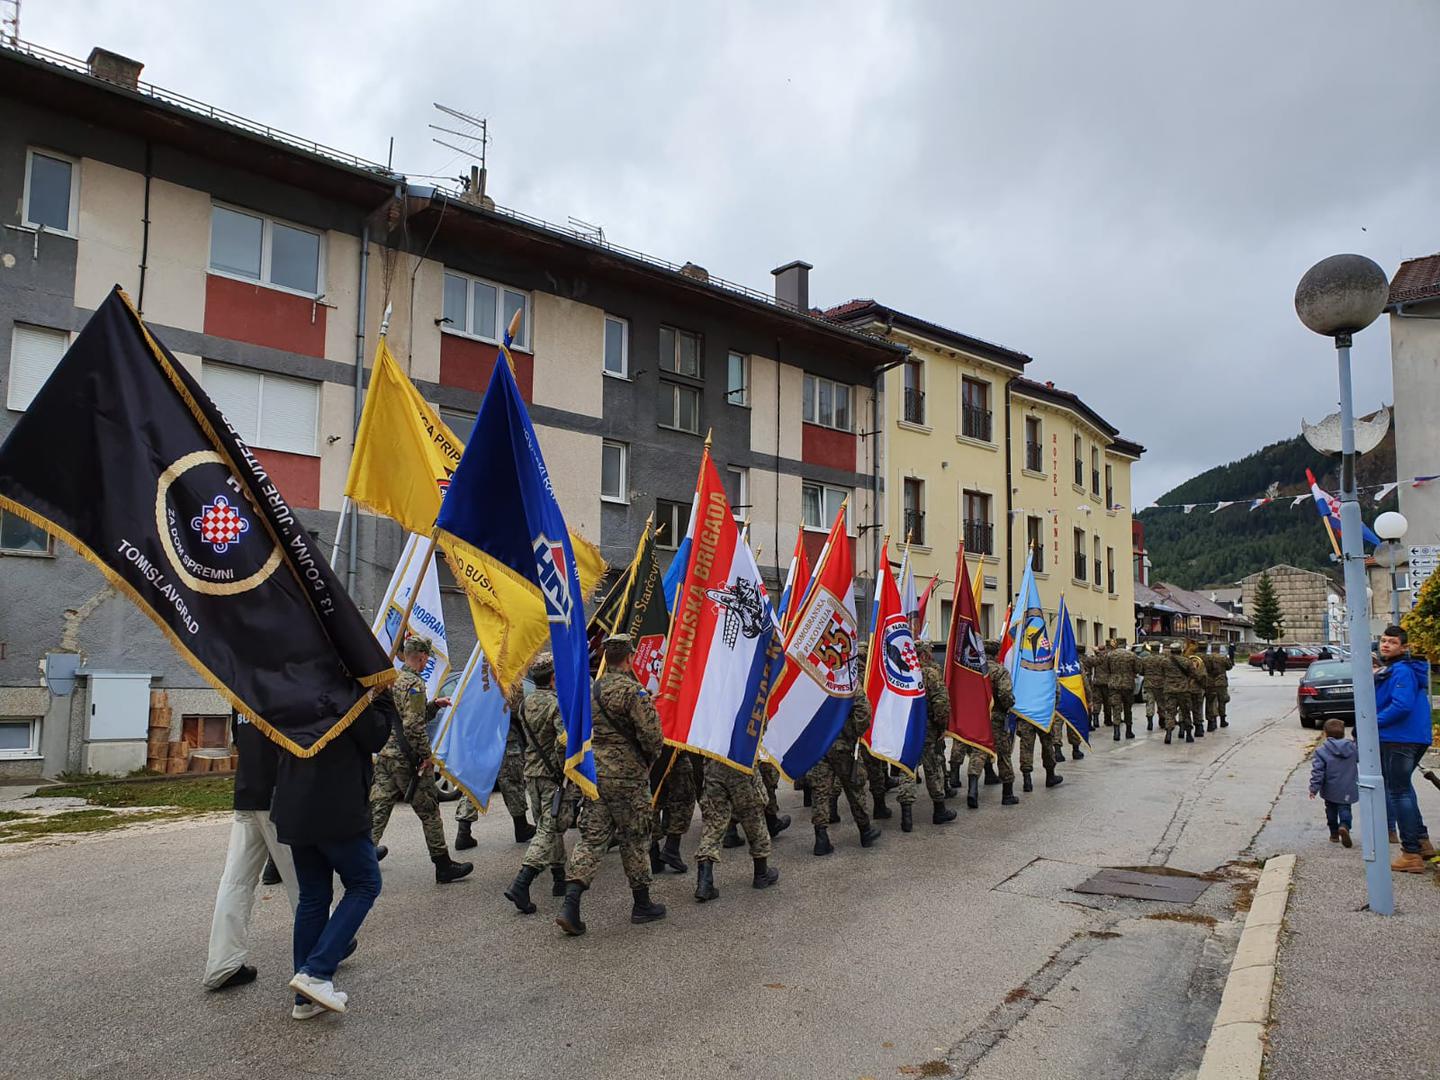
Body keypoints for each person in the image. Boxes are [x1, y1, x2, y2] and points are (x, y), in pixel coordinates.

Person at [272, 695, 391, 1019]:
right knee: (365, 883)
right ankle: (317, 971)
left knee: (313, 895)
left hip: (295, 801)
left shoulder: (293, 681)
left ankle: (306, 997)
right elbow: (375, 735)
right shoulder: (342, 687)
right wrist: (381, 697)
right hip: (335, 804)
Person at [557, 634, 667, 936]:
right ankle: (642, 904)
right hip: (629, 779)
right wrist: (647, 760)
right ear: (630, 657)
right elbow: (652, 738)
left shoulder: (590, 690)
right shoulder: (634, 692)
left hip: (595, 776)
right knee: (634, 838)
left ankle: (570, 904)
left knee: (592, 839)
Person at [202, 710, 299, 991]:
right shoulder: (282, 681)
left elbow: (238, 740)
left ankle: (223, 963)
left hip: (247, 789)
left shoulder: (239, 683)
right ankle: (327, 944)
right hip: (278, 793)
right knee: (302, 878)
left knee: (235, 881)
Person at [369, 637, 473, 883]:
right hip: (407, 758)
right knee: (429, 811)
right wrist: (426, 756)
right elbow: (413, 725)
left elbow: (403, 714)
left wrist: (434, 706)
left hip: (385, 754)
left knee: (379, 806)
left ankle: (362, 856)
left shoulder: (391, 679)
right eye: (427, 658)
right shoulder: (414, 684)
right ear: (423, 657)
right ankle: (443, 865)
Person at [503, 654, 571, 913]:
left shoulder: (525, 704)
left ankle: (558, 878)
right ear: (553, 678)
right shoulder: (556, 705)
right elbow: (562, 741)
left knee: (548, 824)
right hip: (553, 775)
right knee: (549, 828)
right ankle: (523, 881)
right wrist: (567, 766)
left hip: (532, 772)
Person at [1373, 626, 1435, 873]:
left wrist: (1370, 723)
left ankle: (1410, 853)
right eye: (1383, 640)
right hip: (1413, 735)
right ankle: (1421, 841)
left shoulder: (1401, 671)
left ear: (1404, 647)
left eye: (1392, 642)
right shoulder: (1398, 670)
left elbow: (1401, 705)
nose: (1386, 644)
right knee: (1404, 789)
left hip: (1399, 737)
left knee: (1398, 792)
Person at [810, 642, 881, 855]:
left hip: (820, 745)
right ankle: (865, 831)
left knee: (820, 791)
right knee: (855, 787)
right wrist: (853, 733)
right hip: (843, 746)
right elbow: (864, 712)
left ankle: (820, 838)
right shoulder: (849, 683)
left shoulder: (815, 681)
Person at [457, 684, 536, 848]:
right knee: (511, 781)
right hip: (504, 737)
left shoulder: (478, 673)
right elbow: (515, 708)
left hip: (480, 737)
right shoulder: (508, 675)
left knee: (475, 783)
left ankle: (463, 831)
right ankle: (521, 826)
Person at [692, 758, 780, 902]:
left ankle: (704, 881)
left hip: (714, 767)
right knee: (754, 817)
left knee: (714, 822)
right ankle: (761, 873)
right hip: (741, 765)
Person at [893, 641, 957, 831]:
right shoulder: (929, 674)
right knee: (933, 767)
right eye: (928, 652)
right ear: (923, 655)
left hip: (905, 727)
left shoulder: (898, 673)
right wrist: (941, 726)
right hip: (926, 729)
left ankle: (906, 817)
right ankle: (939, 810)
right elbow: (941, 703)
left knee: (907, 767)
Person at [967, 640, 1017, 808]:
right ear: (996, 654)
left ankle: (972, 791)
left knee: (978, 751)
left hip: (978, 717)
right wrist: (1010, 704)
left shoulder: (973, 669)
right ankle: (1007, 794)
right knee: (1003, 754)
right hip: (997, 717)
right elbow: (1005, 694)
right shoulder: (1000, 671)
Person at [1309, 718, 1358, 847]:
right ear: (1343, 733)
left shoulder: (1321, 751)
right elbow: (1360, 757)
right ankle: (1345, 826)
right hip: (1348, 787)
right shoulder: (1352, 748)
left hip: (1330, 789)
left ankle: (1334, 834)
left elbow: (1318, 771)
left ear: (1325, 733)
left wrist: (1314, 788)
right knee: (1345, 808)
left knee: (1330, 810)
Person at [1159, 641, 1193, 744]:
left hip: (1169, 690)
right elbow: (1193, 674)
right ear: (1180, 650)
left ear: (1171, 651)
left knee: (1170, 712)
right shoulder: (1186, 661)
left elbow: (1162, 674)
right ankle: (1188, 734)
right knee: (1185, 712)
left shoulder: (1164, 661)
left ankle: (1168, 734)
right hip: (1183, 690)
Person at [1106, 638, 1139, 741]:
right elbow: (1137, 669)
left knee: (1116, 708)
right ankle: (1129, 731)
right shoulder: (1131, 655)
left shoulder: (1110, 655)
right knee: (1127, 709)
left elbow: (1107, 669)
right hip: (1128, 685)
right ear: (1125, 644)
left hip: (1114, 685)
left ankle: (1116, 733)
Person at [1203, 646, 1234, 730]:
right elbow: (1229, 667)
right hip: (1221, 682)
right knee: (1222, 701)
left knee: (1211, 702)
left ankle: (1212, 721)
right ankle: (1223, 720)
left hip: (1210, 682)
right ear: (1219, 649)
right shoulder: (1223, 658)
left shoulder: (1207, 658)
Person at [1138, 643, 1165, 732]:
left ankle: (1150, 722)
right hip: (1161, 684)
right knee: (1161, 703)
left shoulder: (1145, 659)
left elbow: (1141, 671)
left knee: (1149, 703)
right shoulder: (1163, 659)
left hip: (1148, 683)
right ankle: (1162, 720)